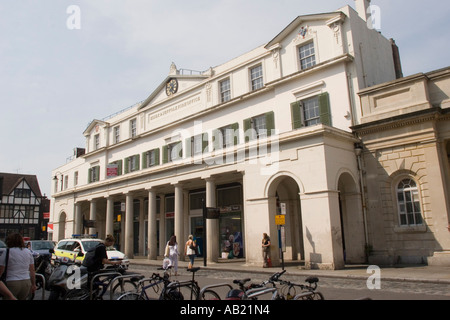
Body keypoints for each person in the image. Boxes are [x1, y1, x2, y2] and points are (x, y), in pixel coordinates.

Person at [0, 233, 36, 300]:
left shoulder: (7, 252)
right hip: (26, 282)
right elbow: (32, 270)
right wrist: (33, 284)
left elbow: (1, 269)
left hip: (11, 281)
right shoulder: (28, 252)